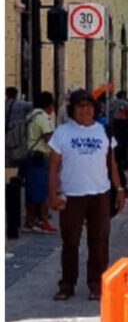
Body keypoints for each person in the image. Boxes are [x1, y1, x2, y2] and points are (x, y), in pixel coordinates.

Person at [47, 89, 126, 301]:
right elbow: (53, 166)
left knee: (99, 241)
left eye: (89, 106)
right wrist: (52, 194)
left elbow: (112, 163)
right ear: (73, 109)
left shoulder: (103, 132)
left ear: (95, 109)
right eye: (80, 106)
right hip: (71, 195)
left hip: (100, 194)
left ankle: (97, 284)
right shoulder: (62, 133)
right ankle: (67, 284)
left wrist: (119, 189)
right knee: (70, 242)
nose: (85, 110)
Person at [22, 92, 57, 234]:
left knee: (31, 189)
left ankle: (30, 221)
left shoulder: (31, 116)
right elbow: (50, 138)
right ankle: (42, 219)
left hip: (30, 155)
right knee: (43, 190)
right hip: (40, 156)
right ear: (49, 105)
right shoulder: (42, 117)